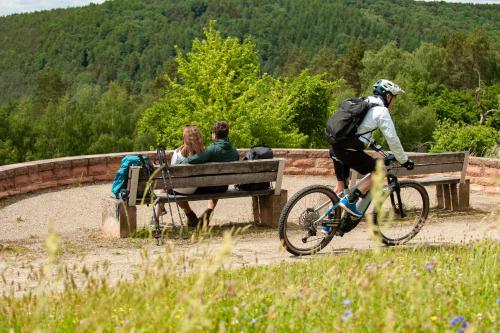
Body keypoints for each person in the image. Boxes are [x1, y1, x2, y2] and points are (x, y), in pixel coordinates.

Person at [327, 79, 414, 225]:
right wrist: (403, 159)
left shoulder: (364, 102)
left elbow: (359, 129)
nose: (394, 102)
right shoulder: (382, 111)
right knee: (380, 171)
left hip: (336, 147)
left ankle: (327, 225)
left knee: (340, 188)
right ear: (388, 96)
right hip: (348, 151)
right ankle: (350, 201)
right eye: (394, 98)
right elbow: (393, 138)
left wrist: (372, 143)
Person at [180, 121, 239, 225]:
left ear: (214, 134)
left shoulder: (212, 149)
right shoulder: (234, 151)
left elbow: (192, 160)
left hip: (208, 187)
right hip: (223, 186)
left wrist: (183, 161)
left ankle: (190, 215)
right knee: (217, 182)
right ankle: (208, 212)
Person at [154, 125, 205, 226]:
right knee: (173, 188)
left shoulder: (177, 153)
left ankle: (155, 218)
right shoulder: (204, 152)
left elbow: (172, 174)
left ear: (184, 139)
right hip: (195, 188)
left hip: (179, 188)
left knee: (165, 189)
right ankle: (191, 216)